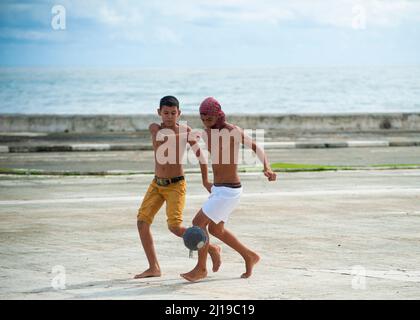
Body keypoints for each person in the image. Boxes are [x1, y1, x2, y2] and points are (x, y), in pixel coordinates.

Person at [181, 97, 277, 282]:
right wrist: (206, 180)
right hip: (218, 189)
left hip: (229, 190)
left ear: (218, 114)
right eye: (202, 119)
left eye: (209, 118)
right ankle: (249, 256)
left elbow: (256, 147)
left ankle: (201, 268)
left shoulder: (233, 131)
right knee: (216, 230)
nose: (205, 122)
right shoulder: (208, 132)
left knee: (198, 223)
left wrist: (267, 167)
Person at [135, 96, 221, 279]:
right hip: (157, 184)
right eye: (165, 113)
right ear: (159, 112)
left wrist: (206, 181)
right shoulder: (155, 128)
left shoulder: (185, 131)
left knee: (174, 227)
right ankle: (154, 267)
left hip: (176, 185)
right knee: (142, 223)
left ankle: (210, 248)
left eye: (173, 113)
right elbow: (160, 134)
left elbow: (202, 158)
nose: (169, 116)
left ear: (179, 113)